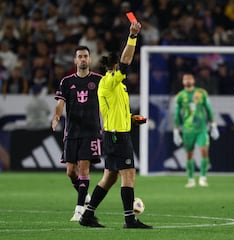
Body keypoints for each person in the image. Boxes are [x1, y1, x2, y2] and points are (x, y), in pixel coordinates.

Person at [79, 21, 152, 229]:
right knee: (128, 173)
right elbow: (127, 60)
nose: (124, 70)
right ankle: (130, 219)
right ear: (114, 67)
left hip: (116, 133)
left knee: (110, 177)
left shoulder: (117, 86)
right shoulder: (109, 80)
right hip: (117, 136)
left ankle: (87, 216)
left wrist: (132, 120)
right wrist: (133, 36)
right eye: (120, 67)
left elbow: (116, 112)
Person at [51, 45, 103, 221]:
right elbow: (60, 103)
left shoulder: (99, 80)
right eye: (79, 56)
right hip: (72, 132)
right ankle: (85, 195)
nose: (82, 59)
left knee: (83, 168)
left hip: (91, 131)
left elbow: (106, 103)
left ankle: (79, 209)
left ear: (90, 59)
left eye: (85, 56)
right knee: (70, 171)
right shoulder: (66, 81)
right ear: (75, 60)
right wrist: (56, 117)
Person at [173, 72, 220, 188]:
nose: (188, 81)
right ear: (183, 82)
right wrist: (176, 131)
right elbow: (177, 114)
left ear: (193, 80)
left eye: (189, 78)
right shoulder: (180, 96)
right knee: (189, 154)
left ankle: (203, 177)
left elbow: (208, 109)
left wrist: (213, 125)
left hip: (201, 129)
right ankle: (190, 179)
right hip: (187, 130)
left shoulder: (201, 93)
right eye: (185, 79)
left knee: (204, 151)